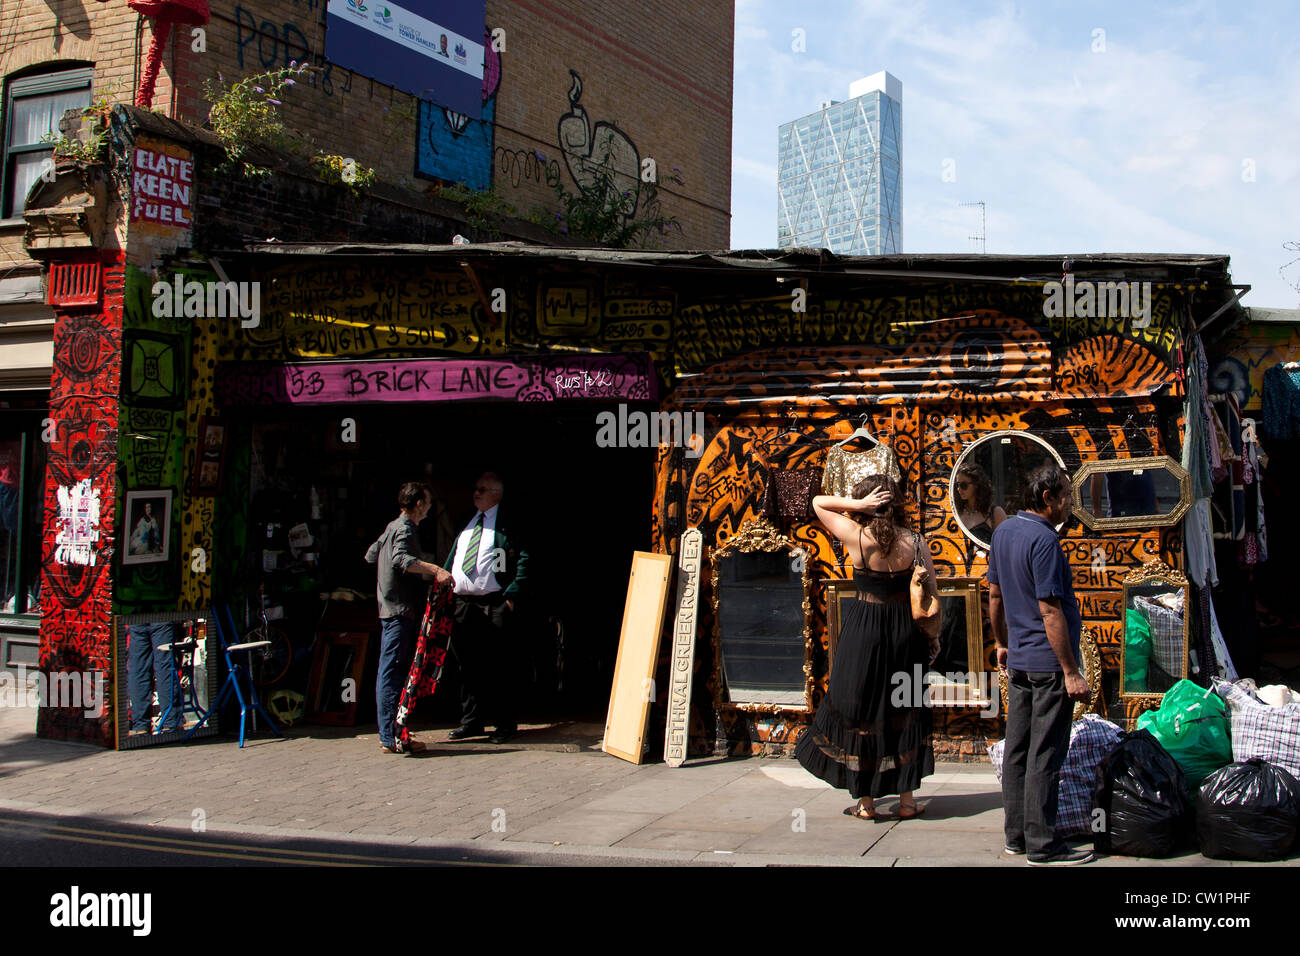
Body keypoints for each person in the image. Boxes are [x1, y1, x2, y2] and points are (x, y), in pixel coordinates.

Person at [794, 474, 938, 820]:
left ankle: (867, 802)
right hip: (905, 630)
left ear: (868, 504)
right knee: (904, 712)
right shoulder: (917, 542)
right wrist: (934, 638)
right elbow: (931, 590)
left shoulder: (857, 536)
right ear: (898, 503)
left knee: (863, 713)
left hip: (864, 630)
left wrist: (858, 506)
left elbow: (817, 503)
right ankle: (906, 801)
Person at [988, 463, 1093, 865]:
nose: (1070, 504)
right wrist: (1070, 670)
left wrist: (1001, 643)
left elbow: (994, 596)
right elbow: (1051, 611)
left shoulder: (1003, 533)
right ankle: (1043, 844)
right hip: (1049, 665)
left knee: (1018, 749)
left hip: (1019, 662)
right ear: (1048, 499)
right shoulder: (1046, 541)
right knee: (1045, 752)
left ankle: (1016, 837)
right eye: (1066, 495)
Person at [365, 481, 453, 755]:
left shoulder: (392, 527)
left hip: (389, 608)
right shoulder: (404, 529)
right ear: (418, 505)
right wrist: (435, 569)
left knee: (392, 669)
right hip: (398, 611)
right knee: (391, 671)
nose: (428, 508)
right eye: (426, 502)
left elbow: (371, 555)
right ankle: (390, 736)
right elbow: (402, 559)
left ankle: (391, 729)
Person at [445, 472, 529, 744]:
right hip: (463, 602)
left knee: (498, 665)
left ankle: (504, 724)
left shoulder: (508, 524)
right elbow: (455, 556)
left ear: (497, 494)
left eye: (482, 489)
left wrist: (512, 595)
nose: (476, 493)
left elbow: (525, 558)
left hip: (494, 602)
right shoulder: (467, 522)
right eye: (475, 488)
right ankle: (472, 722)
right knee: (467, 664)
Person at [127, 620, 185, 735]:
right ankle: (171, 722)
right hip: (160, 614)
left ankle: (141, 726)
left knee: (139, 670)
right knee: (165, 668)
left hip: (137, 615)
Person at [954, 462, 1006, 542]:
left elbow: (1003, 545)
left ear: (976, 485)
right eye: (957, 485)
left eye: (963, 485)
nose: (959, 489)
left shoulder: (995, 513)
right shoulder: (956, 512)